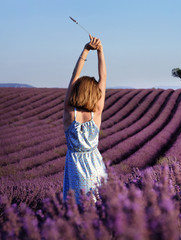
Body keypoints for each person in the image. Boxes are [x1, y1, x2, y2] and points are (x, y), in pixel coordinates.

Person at [63, 35, 108, 203]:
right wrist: (100, 52)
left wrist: (86, 50)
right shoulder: (96, 113)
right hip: (96, 168)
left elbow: (74, 77)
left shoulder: (69, 113)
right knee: (99, 210)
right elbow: (103, 78)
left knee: (77, 211)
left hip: (75, 171)